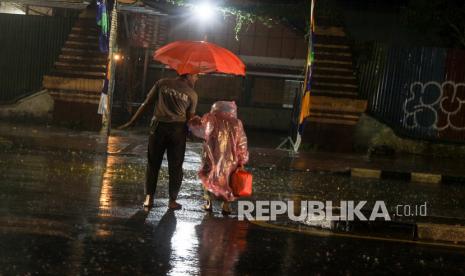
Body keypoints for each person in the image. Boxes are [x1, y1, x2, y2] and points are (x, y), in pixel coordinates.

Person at [119, 73, 199, 210]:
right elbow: (189, 120)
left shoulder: (162, 83)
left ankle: (149, 198)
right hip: (177, 132)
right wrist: (194, 133)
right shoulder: (192, 94)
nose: (197, 79)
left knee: (153, 163)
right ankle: (172, 201)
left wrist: (133, 121)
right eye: (196, 76)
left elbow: (147, 103)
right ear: (188, 75)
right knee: (176, 167)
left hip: (158, 129)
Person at [188, 101, 249, 215]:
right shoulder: (236, 123)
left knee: (208, 176)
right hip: (230, 160)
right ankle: (226, 205)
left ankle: (209, 202)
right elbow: (242, 143)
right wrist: (242, 158)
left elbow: (201, 131)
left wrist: (194, 122)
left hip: (211, 156)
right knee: (228, 180)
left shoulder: (211, 119)